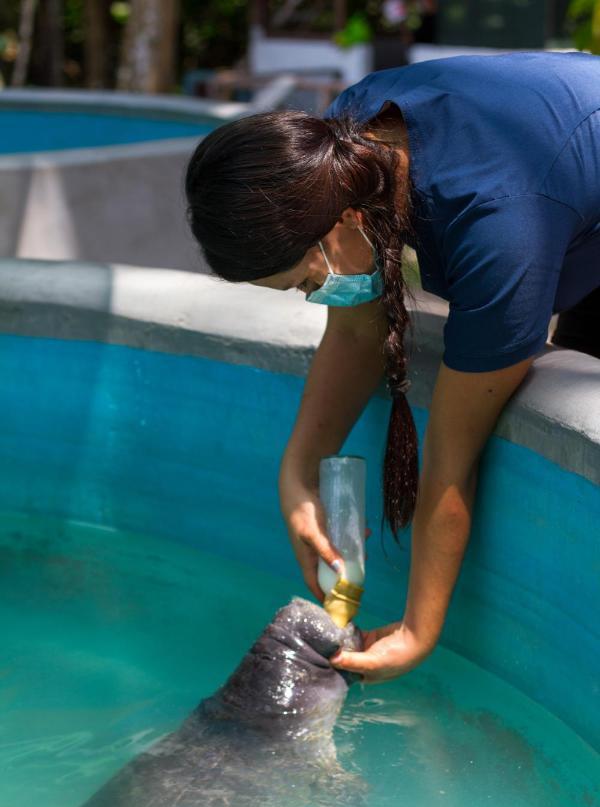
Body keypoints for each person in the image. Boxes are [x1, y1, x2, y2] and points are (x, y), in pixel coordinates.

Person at [184, 51, 600, 683]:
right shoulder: (333, 153)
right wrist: (297, 476)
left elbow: (452, 462)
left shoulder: (499, 229)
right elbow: (357, 329)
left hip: (548, 178)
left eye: (305, 283)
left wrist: (417, 631)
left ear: (345, 223)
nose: (314, 299)